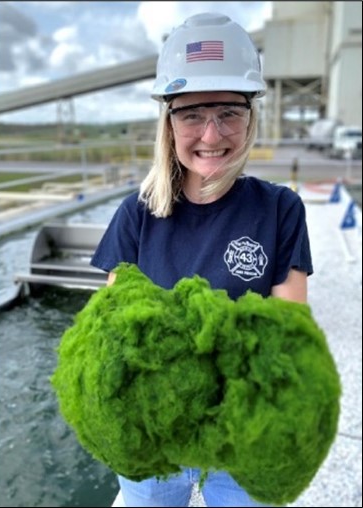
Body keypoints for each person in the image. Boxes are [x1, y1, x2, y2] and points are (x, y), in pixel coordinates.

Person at [91, 12, 313, 508]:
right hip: (155, 433)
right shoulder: (136, 215)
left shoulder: (280, 210)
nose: (211, 135)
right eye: (192, 114)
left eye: (229, 112)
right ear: (168, 122)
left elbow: (290, 331)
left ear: (251, 116)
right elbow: (113, 335)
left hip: (241, 437)